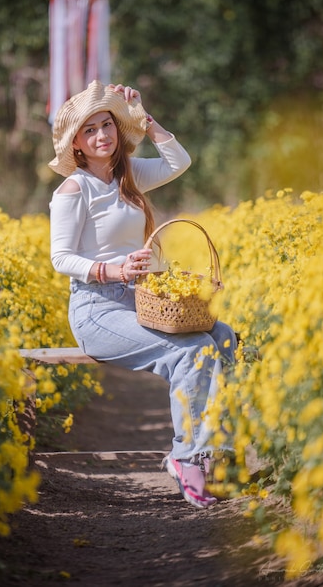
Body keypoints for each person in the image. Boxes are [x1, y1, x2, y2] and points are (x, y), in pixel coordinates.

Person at [49, 80, 237, 509]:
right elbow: (60, 258)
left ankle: (218, 453)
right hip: (96, 310)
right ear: (76, 143)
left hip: (137, 300)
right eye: (90, 130)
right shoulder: (73, 190)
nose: (102, 136)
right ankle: (187, 457)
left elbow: (179, 161)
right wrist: (112, 269)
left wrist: (144, 120)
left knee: (222, 337)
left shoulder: (127, 175)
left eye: (108, 125)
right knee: (190, 351)